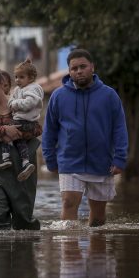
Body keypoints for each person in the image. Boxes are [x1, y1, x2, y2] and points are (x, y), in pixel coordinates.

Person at [41, 48, 128, 227]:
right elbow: (49, 130)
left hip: (101, 162)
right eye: (74, 68)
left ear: (92, 67)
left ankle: (96, 254)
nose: (78, 71)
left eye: (83, 66)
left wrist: (120, 158)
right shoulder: (58, 96)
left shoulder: (109, 95)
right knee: (68, 203)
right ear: (69, 71)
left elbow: (120, 128)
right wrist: (50, 159)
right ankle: (69, 252)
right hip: (69, 161)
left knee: (97, 218)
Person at [0, 67, 42, 230]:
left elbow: (37, 129)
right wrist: (4, 130)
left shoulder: (18, 103)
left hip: (21, 167)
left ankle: (24, 252)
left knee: (23, 218)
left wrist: (17, 133)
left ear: (2, 85)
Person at [0, 58, 44, 182]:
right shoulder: (18, 90)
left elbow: (29, 103)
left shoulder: (33, 88)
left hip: (27, 122)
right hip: (21, 122)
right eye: (16, 77)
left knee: (5, 131)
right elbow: (10, 101)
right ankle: (26, 164)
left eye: (21, 77)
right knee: (18, 139)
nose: (17, 80)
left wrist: (15, 104)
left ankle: (6, 158)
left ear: (31, 78)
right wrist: (12, 102)